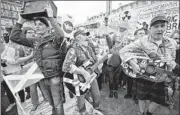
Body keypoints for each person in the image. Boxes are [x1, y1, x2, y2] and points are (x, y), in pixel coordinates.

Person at [10, 6, 65, 115]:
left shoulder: (54, 39)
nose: (37, 27)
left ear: (48, 27)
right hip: (41, 78)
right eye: (35, 25)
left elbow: (61, 35)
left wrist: (50, 18)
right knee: (52, 104)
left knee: (58, 105)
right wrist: (20, 20)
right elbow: (14, 37)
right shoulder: (35, 41)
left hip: (54, 78)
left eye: (40, 24)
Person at [120, 15, 177, 115]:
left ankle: (148, 113)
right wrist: (132, 63)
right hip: (144, 74)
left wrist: (169, 66)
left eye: (162, 26)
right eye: (156, 26)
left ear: (166, 27)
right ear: (150, 28)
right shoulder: (143, 41)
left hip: (161, 77)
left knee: (159, 100)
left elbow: (172, 60)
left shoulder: (172, 43)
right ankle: (141, 113)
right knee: (141, 96)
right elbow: (123, 51)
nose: (160, 29)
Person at [62, 29, 101, 115]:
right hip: (80, 79)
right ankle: (82, 112)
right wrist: (83, 72)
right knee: (81, 98)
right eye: (84, 35)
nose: (87, 37)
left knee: (97, 95)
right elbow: (66, 67)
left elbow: (94, 61)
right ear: (78, 37)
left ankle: (96, 109)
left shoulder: (89, 48)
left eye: (87, 35)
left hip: (91, 76)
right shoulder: (73, 50)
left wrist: (99, 61)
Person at [124, 28, 145, 102]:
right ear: (135, 35)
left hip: (141, 66)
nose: (142, 35)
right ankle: (129, 93)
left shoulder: (146, 45)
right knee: (129, 79)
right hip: (130, 64)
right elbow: (125, 54)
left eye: (143, 33)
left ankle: (136, 96)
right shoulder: (131, 44)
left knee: (138, 80)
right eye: (140, 33)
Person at [106, 33, 123, 99]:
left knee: (117, 79)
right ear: (114, 38)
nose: (118, 37)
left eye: (119, 36)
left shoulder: (123, 46)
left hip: (119, 65)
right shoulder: (111, 45)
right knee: (111, 79)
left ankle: (115, 91)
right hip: (110, 65)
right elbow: (108, 39)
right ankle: (111, 91)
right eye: (117, 36)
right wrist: (107, 35)